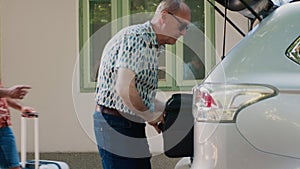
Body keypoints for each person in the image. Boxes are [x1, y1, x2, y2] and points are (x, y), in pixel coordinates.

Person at [93, 0, 191, 169]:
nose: (183, 33)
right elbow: (124, 89)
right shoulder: (138, 38)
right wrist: (152, 117)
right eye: (182, 26)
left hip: (128, 122)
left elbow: (140, 92)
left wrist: (167, 110)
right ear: (164, 17)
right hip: (115, 123)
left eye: (186, 28)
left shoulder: (152, 45)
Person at [0, 81, 35, 169]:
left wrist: (20, 107)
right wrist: (8, 92)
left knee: (12, 166)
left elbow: (2, 95)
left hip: (3, 126)